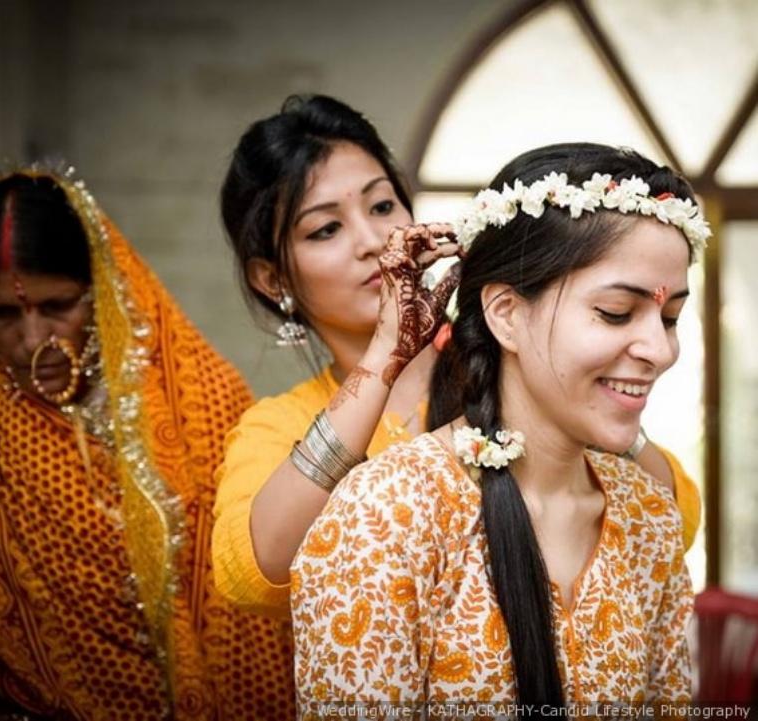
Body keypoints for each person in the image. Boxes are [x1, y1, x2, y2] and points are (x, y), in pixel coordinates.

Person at [212, 95, 701, 626]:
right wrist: (385, 357)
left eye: (382, 207)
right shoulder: (275, 426)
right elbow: (252, 576)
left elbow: (671, 517)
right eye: (325, 229)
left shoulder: (508, 367)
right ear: (273, 279)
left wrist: (591, 387)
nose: (373, 240)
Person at [290, 142, 706, 710]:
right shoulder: (388, 513)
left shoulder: (649, 517)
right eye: (615, 312)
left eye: (670, 317)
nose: (660, 350)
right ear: (506, 315)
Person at [0, 168, 292, 720]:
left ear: (101, 289)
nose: (33, 340)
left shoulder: (203, 398)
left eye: (58, 305)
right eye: (3, 313)